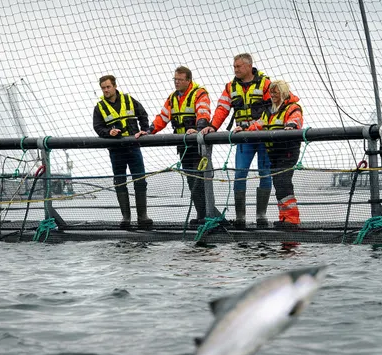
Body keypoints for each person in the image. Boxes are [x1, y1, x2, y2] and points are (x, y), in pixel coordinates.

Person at [200, 53, 273, 228]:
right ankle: (240, 217)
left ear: (249, 66)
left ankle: (261, 216)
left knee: (266, 173)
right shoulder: (230, 87)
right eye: (234, 66)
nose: (235, 69)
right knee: (240, 174)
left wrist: (253, 127)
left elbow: (271, 110)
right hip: (243, 138)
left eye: (238, 66)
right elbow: (222, 108)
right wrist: (213, 127)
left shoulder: (265, 84)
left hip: (263, 136)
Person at [134, 66, 212, 227]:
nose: (176, 82)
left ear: (188, 80)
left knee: (200, 179)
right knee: (191, 181)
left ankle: (206, 215)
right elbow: (162, 118)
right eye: (175, 79)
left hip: (198, 146)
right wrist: (148, 131)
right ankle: (200, 214)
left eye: (180, 80)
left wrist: (197, 130)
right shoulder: (172, 98)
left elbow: (203, 114)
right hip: (183, 147)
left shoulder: (200, 94)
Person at [92, 74, 153, 230]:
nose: (106, 90)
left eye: (108, 87)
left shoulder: (129, 100)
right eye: (103, 88)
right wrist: (108, 132)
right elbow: (98, 127)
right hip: (116, 150)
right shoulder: (99, 108)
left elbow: (143, 115)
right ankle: (126, 218)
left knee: (140, 180)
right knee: (120, 182)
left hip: (133, 147)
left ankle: (142, 217)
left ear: (115, 86)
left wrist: (145, 130)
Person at [244, 80, 303, 227]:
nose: (272, 95)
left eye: (275, 92)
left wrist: (291, 126)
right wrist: (245, 129)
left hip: (287, 152)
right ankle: (284, 218)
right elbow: (259, 124)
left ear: (283, 92)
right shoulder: (269, 110)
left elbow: (295, 119)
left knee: (283, 182)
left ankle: (292, 219)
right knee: (278, 183)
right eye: (271, 92)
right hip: (274, 154)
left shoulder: (292, 108)